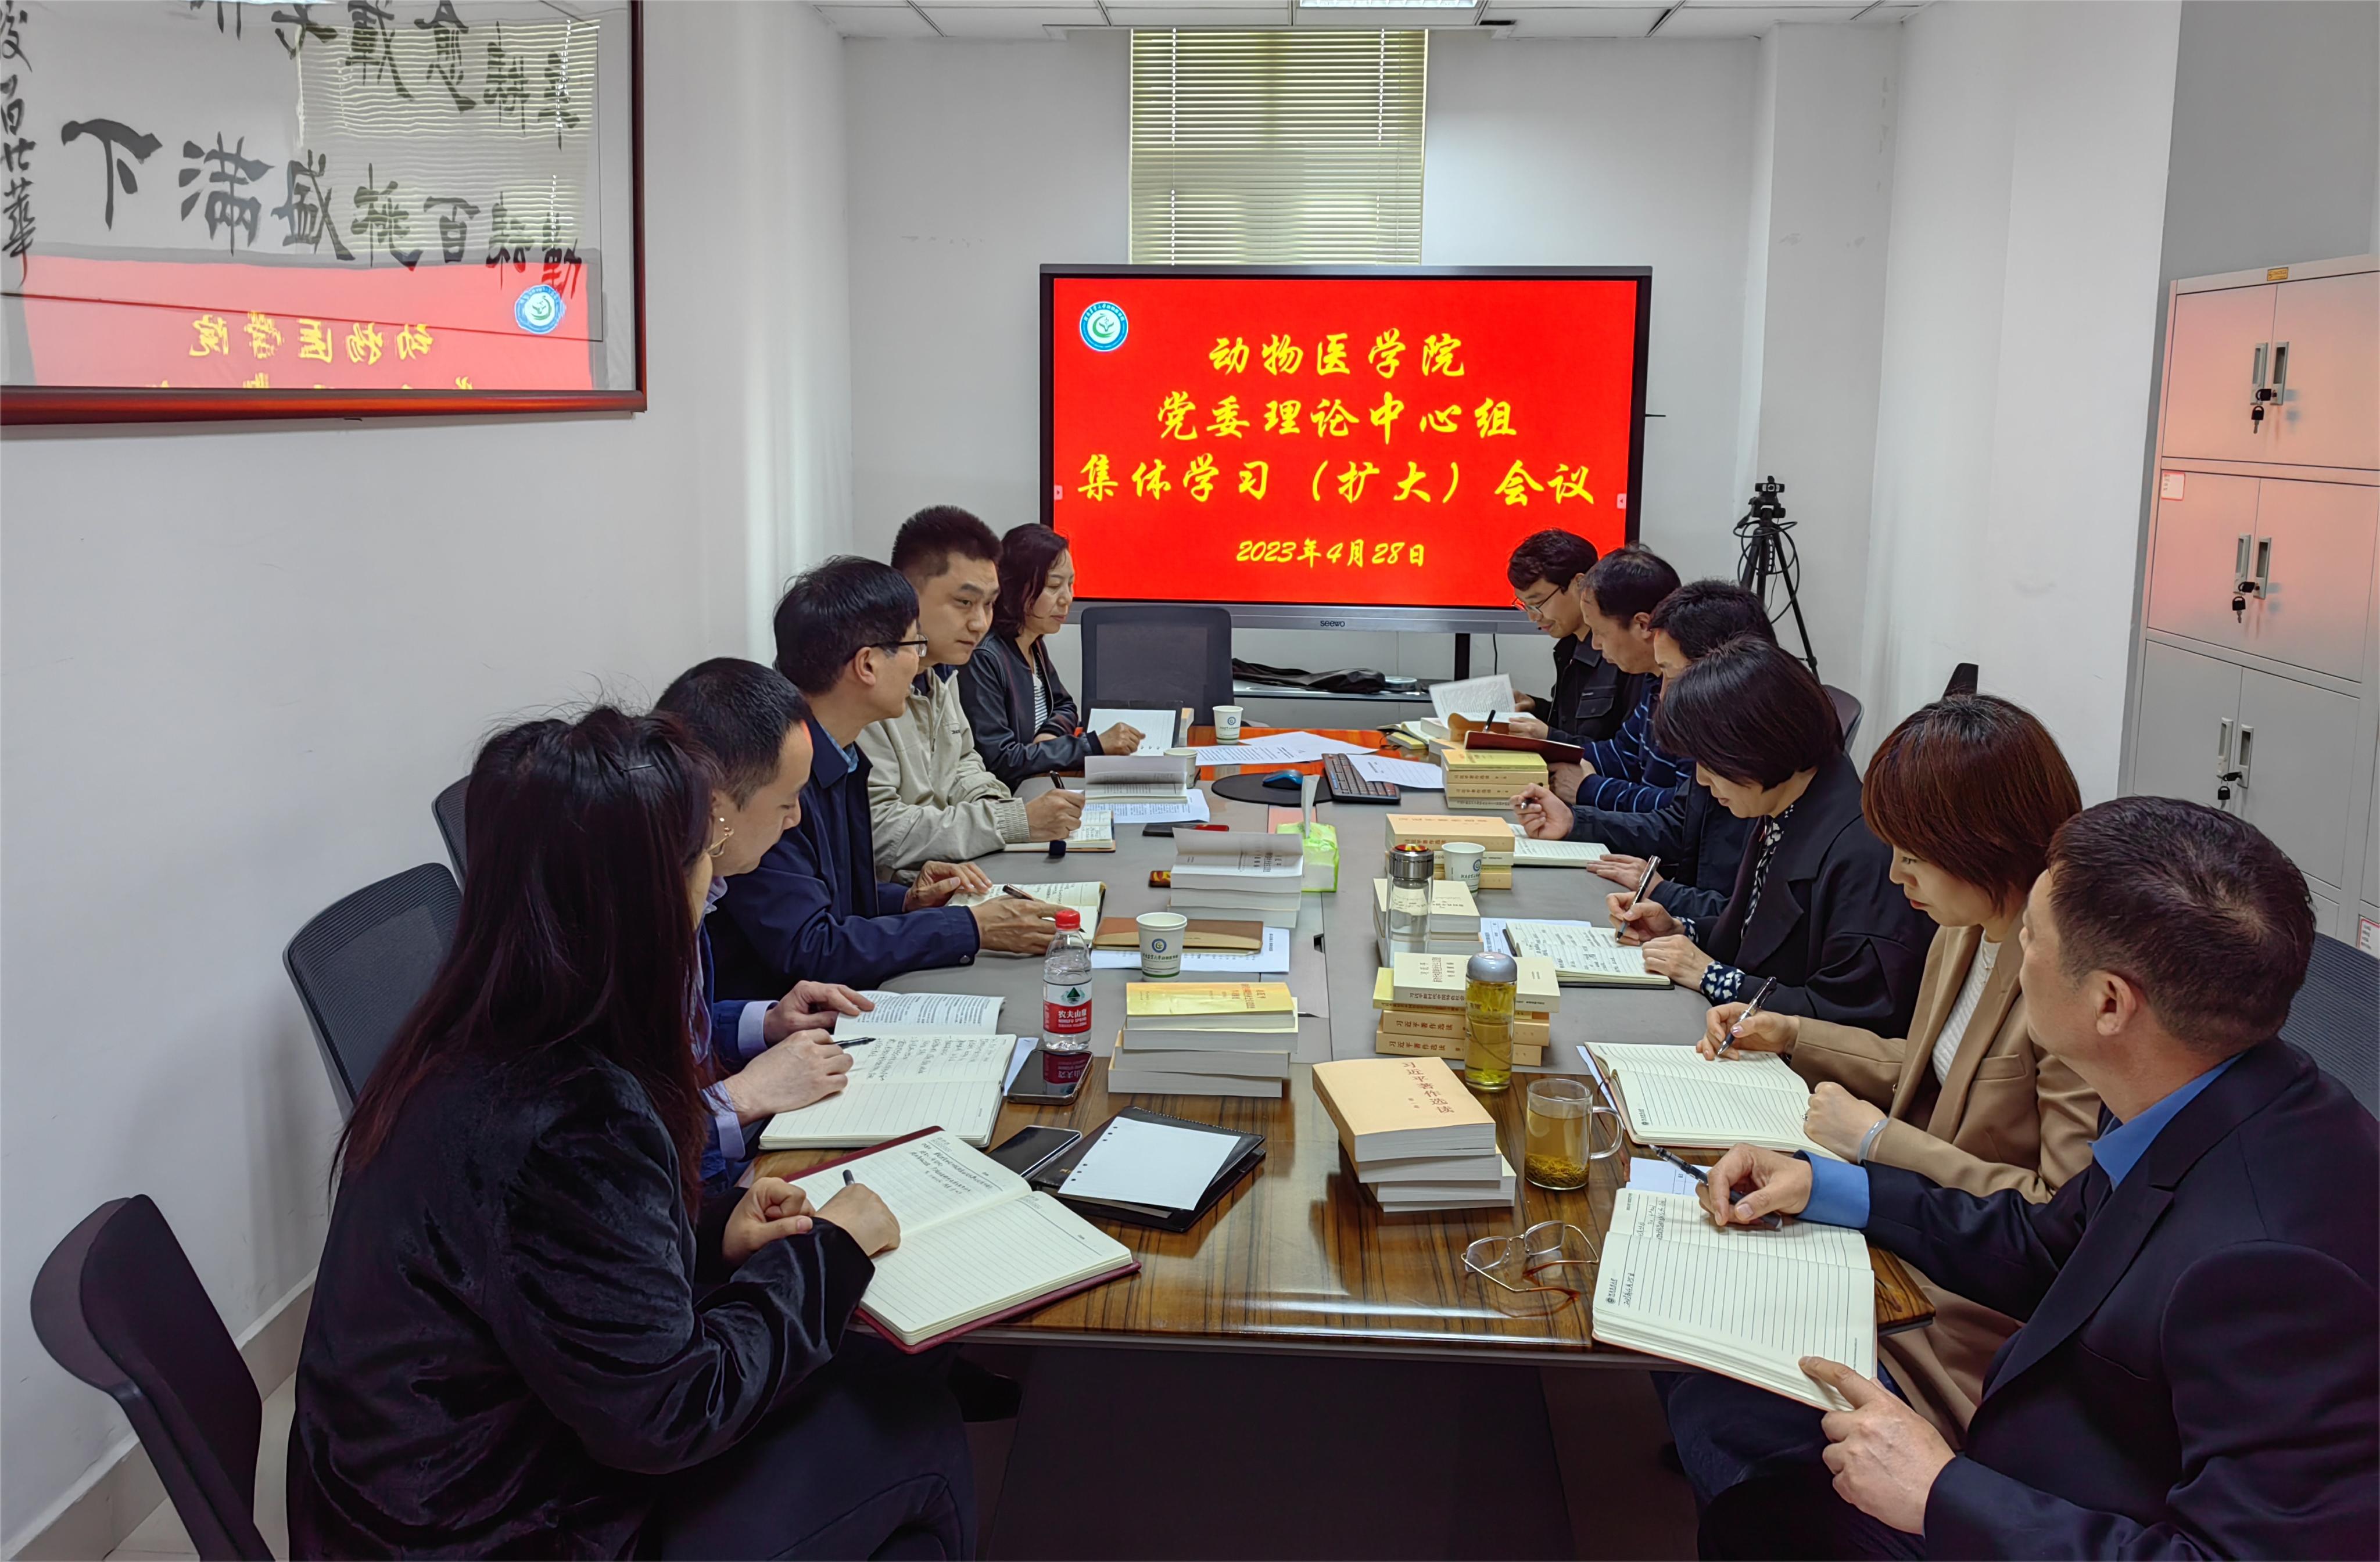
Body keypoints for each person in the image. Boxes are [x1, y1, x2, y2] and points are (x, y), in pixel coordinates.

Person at [289, 709, 973, 1560]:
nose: (711, 882)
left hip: (422, 1476)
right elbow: (673, 1414)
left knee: (854, 1379)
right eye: (702, 856)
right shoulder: (572, 1115)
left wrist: (711, 1229)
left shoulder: (471, 1027)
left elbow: (556, 1259)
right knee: (910, 1421)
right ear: (643, 897)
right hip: (484, 1524)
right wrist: (830, 1252)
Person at [1681, 798, 2377, 1560]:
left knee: (1758, 1509)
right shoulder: (2199, 1089)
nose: (2015, 951)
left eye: (2032, 937)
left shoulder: (2276, 1267)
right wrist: (1827, 1187)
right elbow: (2050, 1247)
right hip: (2032, 1459)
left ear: (2109, 1002)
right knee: (1731, 1420)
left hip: (2045, 1508)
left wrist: (1941, 1493)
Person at [1663, 694, 2098, 1461]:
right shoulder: (1964, 927)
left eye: (1913, 855)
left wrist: (1878, 1140)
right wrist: (1793, 1032)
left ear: (1984, 845)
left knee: (1718, 1395)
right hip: (1903, 1227)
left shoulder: (2064, 983)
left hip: (1961, 1293)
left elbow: (2058, 1217)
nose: (1895, 874)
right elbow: (1931, 1067)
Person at [713, 557, 1059, 998]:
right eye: (914, 644)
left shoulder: (843, 752)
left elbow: (833, 902)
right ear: (867, 665)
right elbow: (811, 947)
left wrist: (907, 899)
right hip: (783, 1018)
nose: (919, 661)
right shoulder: (774, 773)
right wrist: (968, 927)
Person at [1607, 635, 1932, 1035]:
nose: (1702, 779)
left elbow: (1853, 1019)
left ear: (1759, 745)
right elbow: (1755, 937)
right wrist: (1680, 929)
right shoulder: (1785, 806)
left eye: (1710, 761)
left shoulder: (1865, 853)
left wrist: (1713, 976)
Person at [655, 658, 871, 1192]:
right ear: (717, 806)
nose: (795, 818)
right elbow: (620, 1148)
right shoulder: (636, 928)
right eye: (786, 800)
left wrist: (767, 1022)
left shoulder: (702, 887)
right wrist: (742, 1097)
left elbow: (683, 1028)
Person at [1515, 579, 1762, 924]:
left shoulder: (1755, 762)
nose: (1664, 693)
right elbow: (1679, 823)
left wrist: (1664, 894)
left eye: (1671, 674)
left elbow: (1752, 922)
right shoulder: (1721, 735)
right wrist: (1574, 821)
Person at [859, 506, 1085, 877]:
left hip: (960, 868)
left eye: (989, 604)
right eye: (964, 602)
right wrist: (1012, 821)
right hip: (907, 893)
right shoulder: (869, 689)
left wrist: (1002, 809)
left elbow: (964, 763)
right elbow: (880, 831)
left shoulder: (941, 674)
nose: (980, 623)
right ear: (906, 597)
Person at [957, 523, 1142, 788]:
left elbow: (1065, 705)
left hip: (1042, 781)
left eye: (1071, 584)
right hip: (1012, 798)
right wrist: (1093, 745)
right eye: (1054, 586)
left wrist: (1049, 735)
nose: (1067, 598)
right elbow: (1000, 760)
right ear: (1015, 588)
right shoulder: (984, 657)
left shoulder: (1032, 642)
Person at [1551, 545, 1684, 811]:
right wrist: (1540, 752)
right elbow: (1623, 754)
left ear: (1643, 625)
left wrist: (1590, 789)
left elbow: (1684, 810)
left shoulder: (1696, 695)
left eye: (1600, 632)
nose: (1596, 645)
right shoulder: (1654, 680)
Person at [1500, 528, 1640, 746]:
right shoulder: (1568, 648)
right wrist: (1535, 708)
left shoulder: (1628, 652)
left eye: (1538, 603)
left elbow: (1626, 754)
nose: (1533, 616)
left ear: (1580, 584)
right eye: (1525, 605)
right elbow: (1572, 728)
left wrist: (1549, 737)